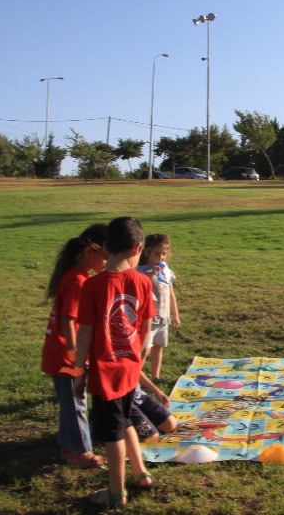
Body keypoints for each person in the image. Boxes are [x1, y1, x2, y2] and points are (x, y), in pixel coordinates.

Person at [69, 217, 156, 508]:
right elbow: (146, 327)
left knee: (112, 433)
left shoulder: (93, 286)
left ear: (106, 247)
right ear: (138, 248)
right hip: (130, 369)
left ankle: (116, 493)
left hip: (107, 375)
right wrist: (139, 359)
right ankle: (141, 473)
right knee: (126, 418)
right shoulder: (144, 281)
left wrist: (78, 372)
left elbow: (86, 332)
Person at [39, 223, 108, 469]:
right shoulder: (78, 281)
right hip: (64, 355)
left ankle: (67, 447)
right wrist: (74, 355)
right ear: (90, 251)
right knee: (77, 403)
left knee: (70, 402)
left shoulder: (78, 276)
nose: (107, 263)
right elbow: (68, 320)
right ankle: (80, 452)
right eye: (105, 257)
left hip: (60, 353)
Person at [135, 233, 180, 384]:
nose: (161, 257)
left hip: (163, 316)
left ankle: (155, 376)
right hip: (148, 318)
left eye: (164, 254)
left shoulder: (167, 271)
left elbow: (171, 293)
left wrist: (175, 315)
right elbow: (138, 290)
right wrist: (150, 275)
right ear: (147, 253)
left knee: (158, 346)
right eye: (157, 254)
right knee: (145, 348)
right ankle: (135, 376)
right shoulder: (141, 271)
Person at [131, 374, 178, 442]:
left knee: (171, 424)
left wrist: (157, 391)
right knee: (151, 437)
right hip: (125, 403)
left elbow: (137, 371)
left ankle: (145, 421)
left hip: (139, 396)